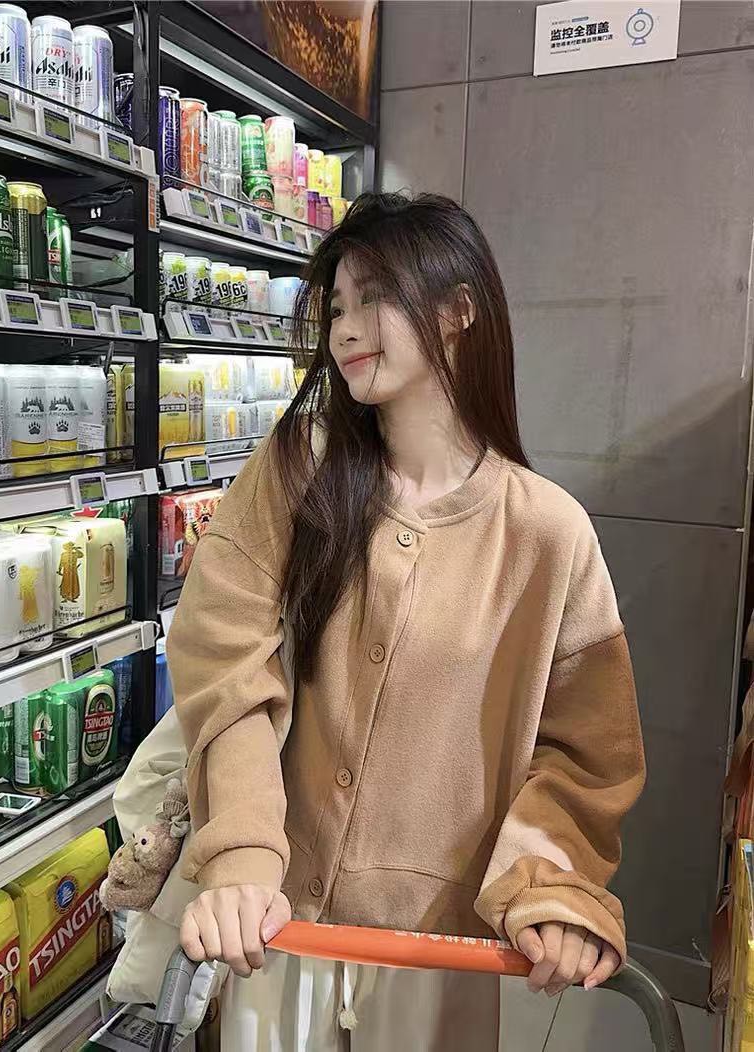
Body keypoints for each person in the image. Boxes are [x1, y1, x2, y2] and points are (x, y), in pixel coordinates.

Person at [167, 192, 645, 1049]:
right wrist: (241, 854)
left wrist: (550, 887)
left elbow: (587, 753)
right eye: (335, 308)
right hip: (277, 933)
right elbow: (222, 659)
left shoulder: (548, 533)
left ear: (459, 310)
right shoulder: (296, 472)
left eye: (374, 297)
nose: (345, 330)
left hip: (440, 955)